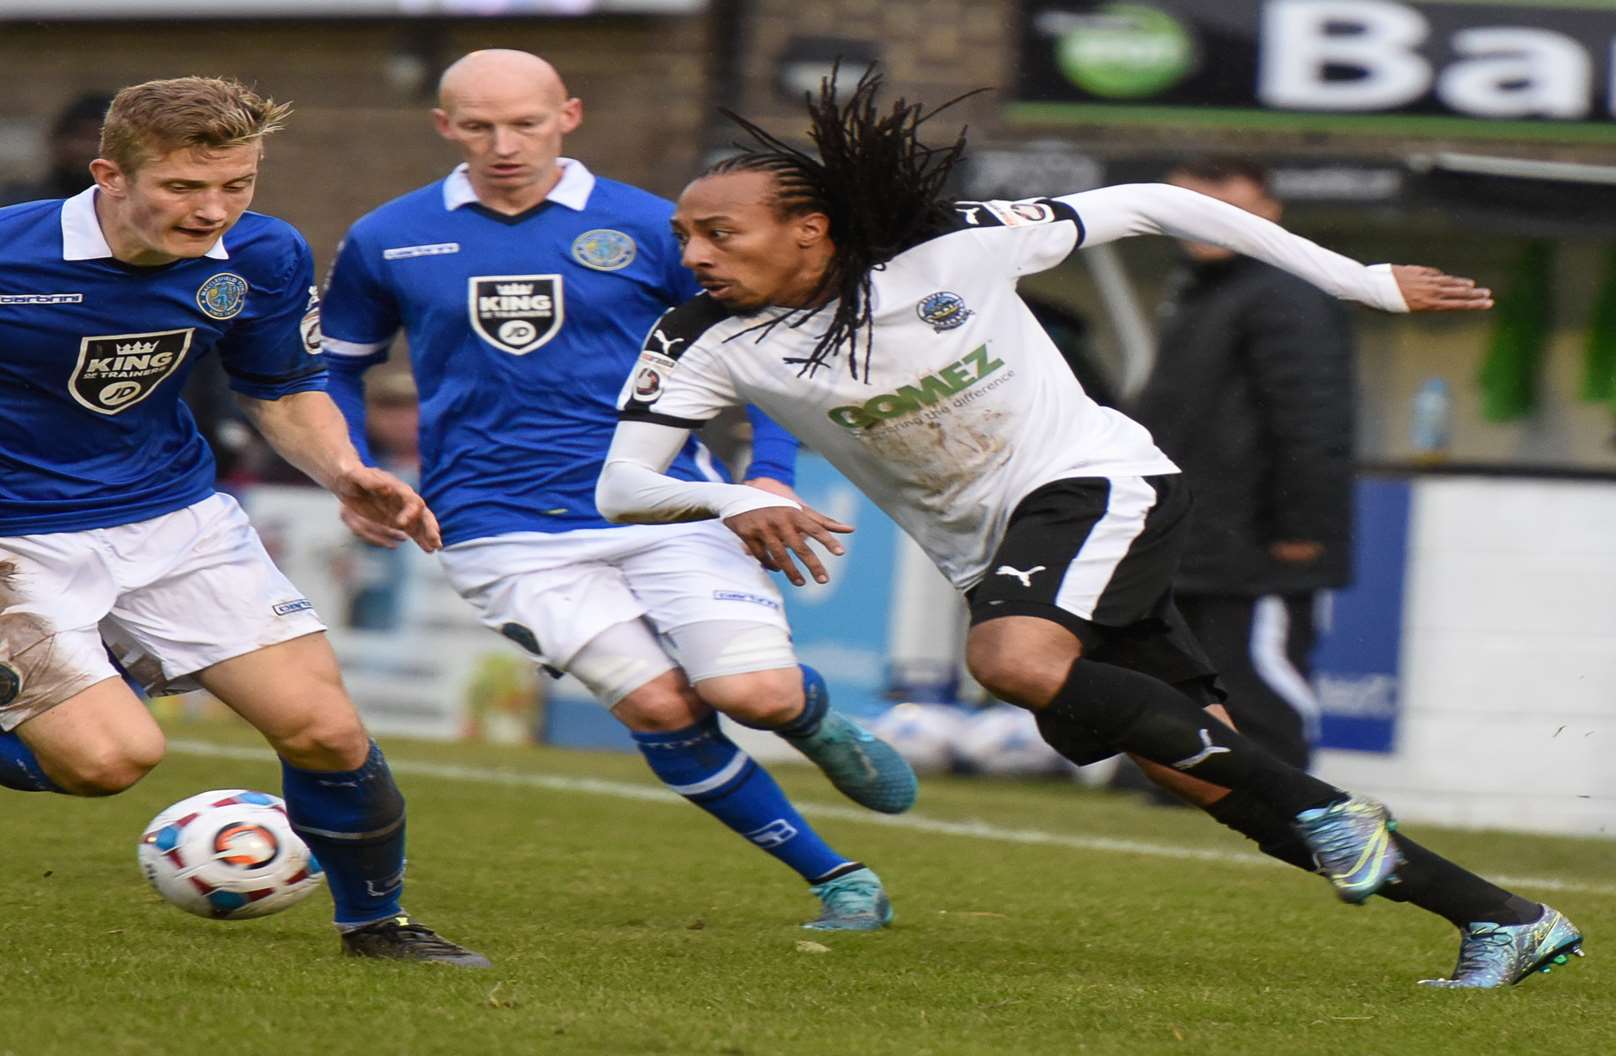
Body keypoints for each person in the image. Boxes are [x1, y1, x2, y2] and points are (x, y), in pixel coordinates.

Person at [595, 70, 1583, 987]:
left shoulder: (951, 241)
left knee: (1012, 659)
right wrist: (736, 497)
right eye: (686, 235)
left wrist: (1358, 280)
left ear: (809, 228)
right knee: (1207, 771)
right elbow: (622, 490)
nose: (693, 256)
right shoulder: (700, 337)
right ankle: (1503, 918)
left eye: (719, 233)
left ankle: (1340, 813)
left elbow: (1157, 202)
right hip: (995, 551)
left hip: (1097, 485)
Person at [0, 76, 487, 968]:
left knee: (323, 728)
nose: (213, 211)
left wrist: (345, 470)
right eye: (184, 187)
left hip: (168, 510)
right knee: (108, 761)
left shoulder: (263, 255)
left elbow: (281, 384)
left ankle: (377, 925)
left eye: (236, 185)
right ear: (110, 176)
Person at [319, 49, 915, 932]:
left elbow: (764, 361)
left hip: (668, 499)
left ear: (569, 114)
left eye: (524, 122)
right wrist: (354, 471)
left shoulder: (654, 225)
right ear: (445, 128)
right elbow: (337, 371)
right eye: (479, 126)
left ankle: (811, 717)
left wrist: (766, 478)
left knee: (755, 697)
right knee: (659, 706)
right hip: (496, 525)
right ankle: (841, 880)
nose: (504, 144)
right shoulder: (387, 236)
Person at [1128, 157, 1355, 771]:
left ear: (1268, 211)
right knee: (1182, 680)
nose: (1200, 221)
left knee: (1254, 682)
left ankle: (1294, 806)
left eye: (1221, 202)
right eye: (1188, 206)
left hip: (1261, 542)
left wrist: (1302, 528)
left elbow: (1313, 417)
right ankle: (1175, 796)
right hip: (1192, 534)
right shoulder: (1200, 293)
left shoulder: (1288, 293)